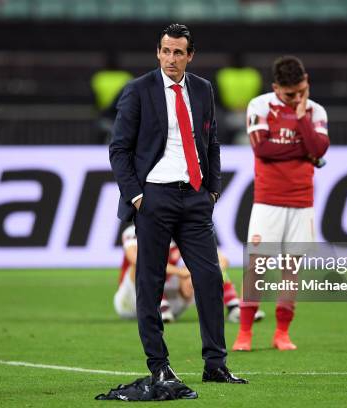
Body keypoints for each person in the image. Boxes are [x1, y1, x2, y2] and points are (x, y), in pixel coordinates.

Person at [109, 24, 247, 384]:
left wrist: (212, 190)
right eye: (166, 51)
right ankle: (159, 365)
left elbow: (212, 141)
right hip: (155, 197)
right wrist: (138, 196)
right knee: (150, 284)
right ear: (158, 52)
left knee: (210, 278)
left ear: (190, 55)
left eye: (178, 52)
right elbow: (119, 149)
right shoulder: (138, 91)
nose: (171, 59)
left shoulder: (202, 89)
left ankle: (215, 364)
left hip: (196, 198)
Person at [233, 55, 329, 352]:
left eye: (301, 91)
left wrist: (300, 118)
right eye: (290, 95)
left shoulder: (315, 111)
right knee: (257, 267)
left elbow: (320, 148)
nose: (297, 98)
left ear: (307, 82)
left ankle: (282, 334)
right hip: (268, 200)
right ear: (276, 88)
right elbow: (261, 148)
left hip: (302, 201)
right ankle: (245, 333)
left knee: (291, 270)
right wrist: (303, 149)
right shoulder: (260, 105)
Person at [113, 224, 265, 323]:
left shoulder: (185, 232)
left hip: (171, 296)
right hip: (132, 299)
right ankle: (160, 306)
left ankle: (235, 308)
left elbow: (223, 260)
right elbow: (136, 259)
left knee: (212, 266)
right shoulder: (136, 230)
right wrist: (182, 272)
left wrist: (195, 275)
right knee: (140, 268)